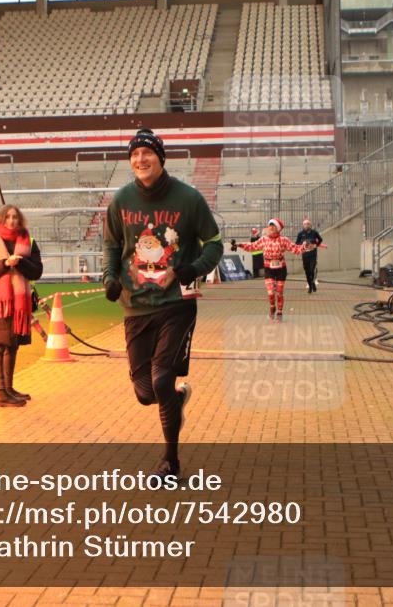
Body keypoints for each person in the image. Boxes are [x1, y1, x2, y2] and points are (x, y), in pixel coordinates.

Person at [103, 128, 223, 480]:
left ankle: (170, 462)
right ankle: (175, 400)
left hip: (176, 304)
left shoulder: (188, 199)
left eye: (147, 153)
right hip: (135, 306)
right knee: (145, 393)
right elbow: (112, 246)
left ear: (160, 157)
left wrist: (190, 269)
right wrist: (110, 278)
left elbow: (214, 243)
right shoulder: (121, 200)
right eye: (135, 154)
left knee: (160, 378)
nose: (141, 160)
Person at [0, 204, 43, 408]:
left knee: (12, 344)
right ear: (1, 220)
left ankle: (9, 389)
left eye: (15, 217)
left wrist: (20, 262)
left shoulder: (29, 242)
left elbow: (37, 271)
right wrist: (5, 264)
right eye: (8, 217)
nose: (12, 221)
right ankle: (0, 393)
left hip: (20, 304)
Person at [231, 218, 315, 321]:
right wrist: (238, 245)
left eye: (273, 226)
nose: (270, 228)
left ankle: (279, 312)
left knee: (279, 292)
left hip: (281, 269)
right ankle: (272, 307)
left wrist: (304, 246)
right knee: (271, 292)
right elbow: (252, 246)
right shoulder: (264, 239)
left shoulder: (284, 240)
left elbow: (295, 249)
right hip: (268, 269)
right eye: (269, 226)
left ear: (278, 229)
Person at [295, 218, 323, 293]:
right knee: (307, 271)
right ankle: (312, 284)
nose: (306, 225)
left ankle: (310, 287)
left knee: (312, 270)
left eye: (308, 224)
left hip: (313, 254)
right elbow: (297, 243)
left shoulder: (314, 232)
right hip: (305, 255)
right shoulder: (300, 234)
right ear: (303, 225)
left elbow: (320, 240)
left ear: (310, 225)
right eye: (305, 224)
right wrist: (302, 243)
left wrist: (315, 245)